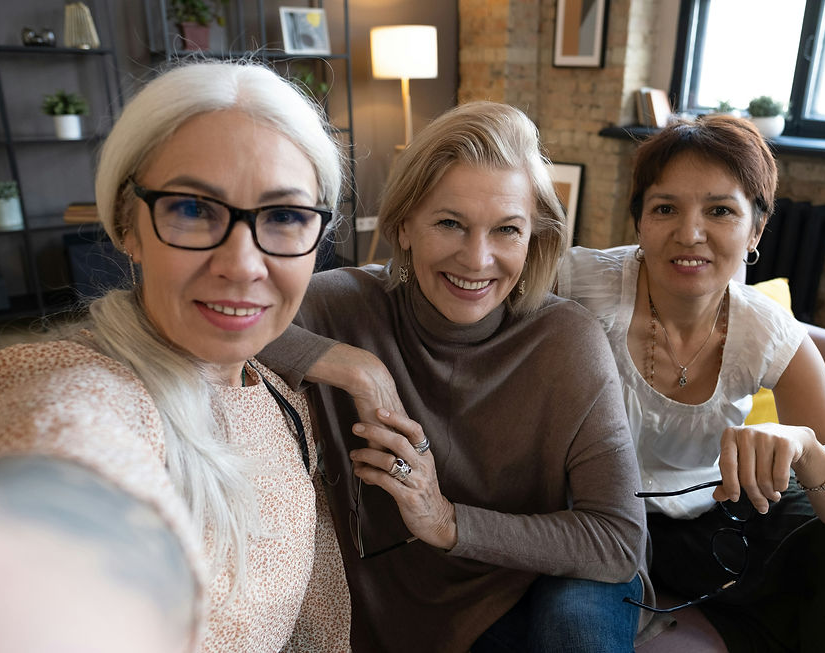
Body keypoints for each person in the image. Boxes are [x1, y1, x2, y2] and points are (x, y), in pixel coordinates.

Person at [0, 61, 351, 652]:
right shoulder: (86, 389)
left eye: (285, 216)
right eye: (193, 209)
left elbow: (314, 613)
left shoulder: (278, 395)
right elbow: (71, 448)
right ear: (126, 225)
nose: (242, 264)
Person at [259, 101, 650, 652]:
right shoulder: (343, 307)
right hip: (394, 604)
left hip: (528, 585)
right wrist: (360, 370)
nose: (478, 258)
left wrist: (445, 522)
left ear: (533, 239)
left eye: (507, 230)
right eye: (450, 223)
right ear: (404, 225)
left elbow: (617, 541)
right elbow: (215, 313)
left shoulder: (567, 340)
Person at [557, 113, 825, 651]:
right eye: (665, 208)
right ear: (639, 221)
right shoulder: (580, 282)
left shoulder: (770, 331)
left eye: (720, 211)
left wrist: (804, 446)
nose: (690, 234)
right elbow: (466, 280)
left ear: (756, 229)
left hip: (727, 512)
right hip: (610, 516)